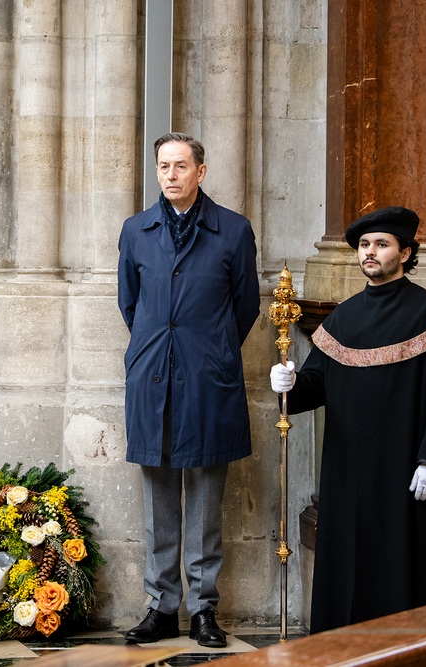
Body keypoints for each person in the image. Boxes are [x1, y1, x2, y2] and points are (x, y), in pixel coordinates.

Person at [270, 206, 426, 633]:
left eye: (381, 244)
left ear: (405, 252)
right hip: (351, 476)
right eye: (364, 245)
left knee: (410, 569)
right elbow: (316, 386)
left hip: (409, 472)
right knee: (351, 570)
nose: (370, 252)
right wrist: (288, 383)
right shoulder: (343, 318)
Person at [118, 133, 260, 647]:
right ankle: (161, 607)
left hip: (207, 380)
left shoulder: (233, 230)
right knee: (159, 501)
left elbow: (246, 305)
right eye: (163, 166)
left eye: (181, 166)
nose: (171, 175)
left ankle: (203, 609)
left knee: (204, 499)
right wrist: (159, 347)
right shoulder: (136, 230)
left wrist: (211, 349)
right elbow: (130, 303)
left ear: (201, 171)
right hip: (153, 376)